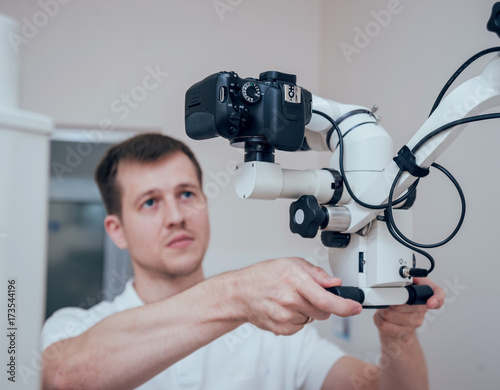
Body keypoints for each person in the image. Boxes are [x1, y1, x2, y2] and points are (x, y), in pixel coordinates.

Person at [41, 133, 444, 390]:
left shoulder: (277, 336)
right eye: (150, 202)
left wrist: (398, 336)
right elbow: (66, 378)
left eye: (186, 194)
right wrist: (237, 294)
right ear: (116, 230)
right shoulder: (76, 327)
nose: (176, 216)